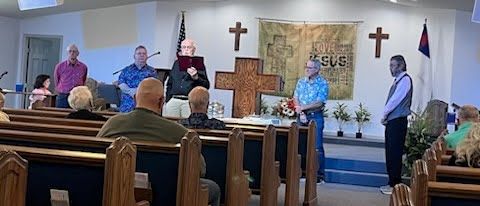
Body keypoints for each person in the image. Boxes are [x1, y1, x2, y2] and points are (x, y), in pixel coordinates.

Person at [97, 78, 220, 206]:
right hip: (170, 197)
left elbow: (95, 151)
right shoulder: (179, 132)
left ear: (134, 98)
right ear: (162, 101)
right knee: (213, 188)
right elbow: (200, 170)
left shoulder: (112, 124)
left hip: (113, 192)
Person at [380, 55, 413, 195]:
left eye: (393, 65)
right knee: (390, 151)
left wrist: (384, 114)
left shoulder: (405, 80)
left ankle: (395, 184)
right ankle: (391, 182)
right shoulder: (397, 81)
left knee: (395, 152)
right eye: (390, 65)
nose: (390, 68)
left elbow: (395, 100)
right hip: (393, 120)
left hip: (398, 121)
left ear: (401, 65)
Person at [293, 58, 329, 184]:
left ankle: (319, 176)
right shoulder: (301, 82)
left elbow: (319, 102)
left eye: (310, 67)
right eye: (306, 67)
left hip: (315, 116)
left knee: (317, 146)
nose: (307, 69)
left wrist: (302, 108)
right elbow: (296, 97)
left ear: (317, 69)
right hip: (301, 116)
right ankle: (302, 173)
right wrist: (300, 111)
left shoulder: (322, 83)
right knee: (300, 144)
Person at [165, 39, 210, 118]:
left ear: (193, 49)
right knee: (170, 124)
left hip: (188, 102)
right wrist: (168, 100)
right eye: (183, 47)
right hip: (174, 99)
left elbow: (206, 85)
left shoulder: (198, 64)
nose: (186, 50)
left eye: (188, 47)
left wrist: (196, 77)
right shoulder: (176, 63)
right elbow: (170, 83)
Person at [118, 45, 157, 113]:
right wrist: (131, 91)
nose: (142, 55)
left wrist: (139, 92)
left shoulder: (152, 71)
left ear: (147, 56)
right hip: (127, 106)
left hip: (145, 107)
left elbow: (153, 86)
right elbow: (121, 83)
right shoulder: (126, 70)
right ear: (134, 56)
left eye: (144, 53)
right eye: (139, 53)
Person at [54, 44, 88, 108]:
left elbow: (84, 80)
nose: (72, 53)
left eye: (74, 51)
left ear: (78, 53)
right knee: (60, 115)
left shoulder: (83, 67)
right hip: (63, 95)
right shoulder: (59, 66)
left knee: (75, 116)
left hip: (77, 96)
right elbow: (57, 80)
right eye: (70, 51)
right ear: (67, 53)